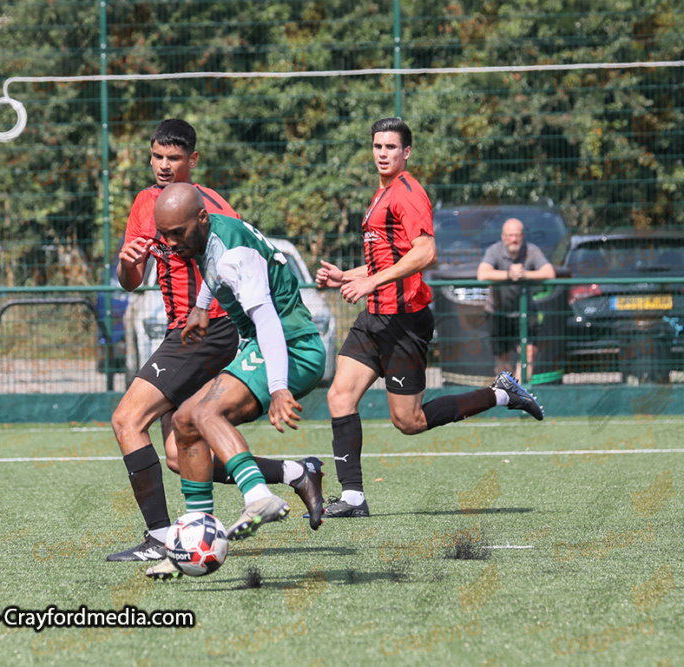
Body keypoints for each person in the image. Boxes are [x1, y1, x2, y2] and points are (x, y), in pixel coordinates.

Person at [107, 119, 325, 563]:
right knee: (179, 452)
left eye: (174, 158)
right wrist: (128, 263)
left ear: (192, 160)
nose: (164, 166)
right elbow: (131, 282)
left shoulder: (212, 207)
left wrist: (210, 313)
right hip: (187, 327)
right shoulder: (145, 203)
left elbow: (234, 267)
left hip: (215, 330)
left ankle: (162, 539)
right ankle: (295, 472)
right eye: (157, 157)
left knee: (128, 420)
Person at [316, 118, 545, 519]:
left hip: (405, 322)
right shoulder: (380, 193)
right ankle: (353, 498)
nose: (382, 153)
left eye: (390, 147)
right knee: (339, 396)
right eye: (377, 146)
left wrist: (370, 283)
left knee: (409, 421)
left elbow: (425, 254)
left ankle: (502, 393)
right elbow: (383, 259)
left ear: (406, 152)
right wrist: (347, 276)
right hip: (375, 317)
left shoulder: (408, 192)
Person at [144, 183, 328, 580]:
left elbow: (267, 320)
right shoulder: (210, 234)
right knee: (184, 422)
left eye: (178, 233)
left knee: (207, 412)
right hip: (262, 345)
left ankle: (259, 496)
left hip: (291, 347)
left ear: (201, 219)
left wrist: (279, 386)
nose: (171, 243)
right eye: (165, 234)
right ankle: (191, 540)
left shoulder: (234, 253)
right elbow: (212, 270)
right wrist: (199, 308)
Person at [477, 218, 556, 381]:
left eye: (517, 235)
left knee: (529, 353)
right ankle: (506, 393)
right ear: (503, 237)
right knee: (503, 359)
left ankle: (521, 392)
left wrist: (525, 275)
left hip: (526, 312)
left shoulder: (532, 250)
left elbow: (549, 272)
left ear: (523, 235)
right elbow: (482, 274)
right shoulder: (494, 250)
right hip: (499, 313)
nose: (514, 239)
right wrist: (508, 275)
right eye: (510, 235)